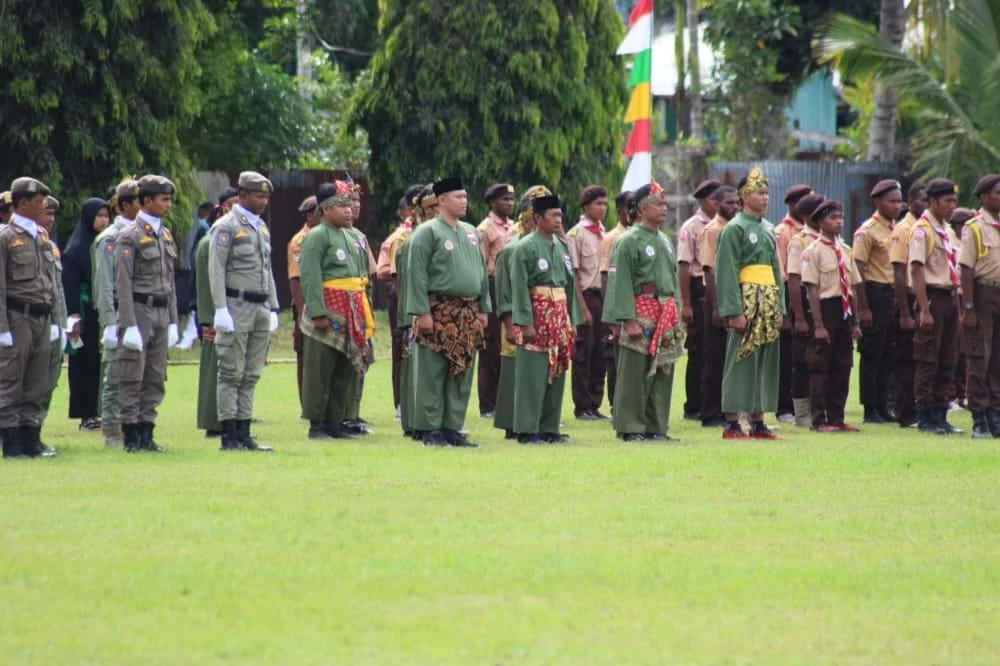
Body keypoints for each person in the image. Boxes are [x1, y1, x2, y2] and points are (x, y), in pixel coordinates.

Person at [405, 177, 491, 448]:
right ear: (441, 201)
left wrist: (484, 307)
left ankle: (453, 427)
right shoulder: (427, 232)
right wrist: (421, 312)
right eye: (458, 197)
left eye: (465, 197)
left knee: (462, 370)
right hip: (439, 308)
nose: (464, 202)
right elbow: (415, 275)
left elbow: (482, 271)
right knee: (433, 370)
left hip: (467, 310)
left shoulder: (471, 232)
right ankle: (430, 428)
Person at [602, 182, 685, 441]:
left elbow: (673, 281)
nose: (664, 208)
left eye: (664, 203)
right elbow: (621, 281)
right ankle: (630, 427)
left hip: (665, 311)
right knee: (634, 373)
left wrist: (678, 314)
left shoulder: (664, 240)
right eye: (658, 204)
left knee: (663, 371)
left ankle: (656, 426)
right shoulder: (627, 241)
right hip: (641, 309)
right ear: (641, 209)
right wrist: (627, 319)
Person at [208, 171, 279, 452]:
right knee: (231, 371)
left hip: (259, 305)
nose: (264, 201)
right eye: (259, 196)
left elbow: (266, 268)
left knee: (251, 372)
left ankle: (244, 430)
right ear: (243, 196)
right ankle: (229, 433)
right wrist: (220, 309)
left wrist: (272, 305)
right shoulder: (226, 227)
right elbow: (216, 269)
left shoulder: (260, 228)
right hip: (236, 305)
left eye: (266, 196)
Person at [714, 167, 785, 440]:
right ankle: (732, 421)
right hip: (746, 298)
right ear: (744, 196)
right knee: (739, 358)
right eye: (759, 192)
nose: (765, 198)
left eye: (767, 193)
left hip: (767, 298)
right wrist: (733, 311)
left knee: (764, 360)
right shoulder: (734, 229)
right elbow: (726, 270)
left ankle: (758, 420)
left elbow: (776, 269)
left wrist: (780, 307)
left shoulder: (768, 228)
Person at [298, 180, 371, 440]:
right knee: (321, 369)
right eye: (342, 205)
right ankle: (317, 423)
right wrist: (318, 311)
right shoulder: (316, 236)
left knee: (346, 369)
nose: (349, 209)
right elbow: (309, 275)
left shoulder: (354, 236)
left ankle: (337, 421)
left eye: (350, 204)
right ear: (326, 210)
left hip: (353, 309)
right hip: (329, 310)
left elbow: (363, 275)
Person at [115, 174, 180, 452]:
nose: (168, 205)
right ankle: (131, 435)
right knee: (133, 375)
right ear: (147, 201)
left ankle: (147, 431)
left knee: (155, 375)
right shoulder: (129, 235)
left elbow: (171, 283)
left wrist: (175, 321)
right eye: (164, 200)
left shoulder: (164, 234)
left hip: (162, 310)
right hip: (139, 309)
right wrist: (128, 323)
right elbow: (123, 282)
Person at [509, 194, 580, 444]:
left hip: (559, 316)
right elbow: (518, 287)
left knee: (557, 370)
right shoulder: (524, 248)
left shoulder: (561, 247)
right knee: (533, 373)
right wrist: (524, 322)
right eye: (553, 215)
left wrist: (571, 321)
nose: (558, 220)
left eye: (560, 215)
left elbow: (569, 286)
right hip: (537, 313)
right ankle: (527, 430)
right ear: (538, 218)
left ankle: (549, 427)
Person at [0, 178, 58, 458]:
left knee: (37, 381)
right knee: (11, 380)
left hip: (41, 316)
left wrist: (56, 320)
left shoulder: (42, 237)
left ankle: (31, 437)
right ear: (23, 204)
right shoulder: (6, 238)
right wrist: (2, 328)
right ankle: (11, 443)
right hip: (16, 315)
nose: (44, 207)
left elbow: (51, 282)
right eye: (39, 202)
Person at [801, 200, 863, 432]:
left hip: (843, 311)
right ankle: (819, 419)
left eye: (840, 217)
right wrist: (817, 324)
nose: (838, 222)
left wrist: (855, 321)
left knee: (843, 365)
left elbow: (853, 288)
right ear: (819, 222)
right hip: (824, 310)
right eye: (832, 218)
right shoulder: (813, 252)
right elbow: (812, 290)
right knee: (821, 365)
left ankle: (837, 417)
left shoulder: (845, 251)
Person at [494, 185, 549, 439]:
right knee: (514, 367)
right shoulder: (511, 248)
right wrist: (508, 321)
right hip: (517, 317)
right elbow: (504, 288)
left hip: (543, 317)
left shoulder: (550, 244)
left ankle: (537, 420)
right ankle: (511, 422)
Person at [909, 178, 961, 434]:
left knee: (947, 357)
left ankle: (941, 413)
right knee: (928, 357)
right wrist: (924, 309)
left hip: (950, 297)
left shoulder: (946, 230)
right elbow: (917, 270)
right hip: (932, 296)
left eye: (954, 201)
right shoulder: (923, 230)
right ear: (933, 202)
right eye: (947, 201)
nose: (952, 206)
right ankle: (926, 415)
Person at [93, 179, 140, 447]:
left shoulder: (141, 235)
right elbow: (104, 284)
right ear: (123, 206)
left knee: (137, 373)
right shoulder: (109, 239)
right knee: (114, 373)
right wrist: (109, 323)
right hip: (118, 312)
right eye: (136, 201)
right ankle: (112, 429)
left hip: (138, 311)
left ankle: (132, 425)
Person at [851, 180, 904, 423]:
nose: (897, 205)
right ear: (877, 202)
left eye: (898, 200)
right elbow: (858, 271)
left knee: (889, 353)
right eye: (891, 201)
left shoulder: (897, 229)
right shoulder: (867, 231)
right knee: (872, 353)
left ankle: (884, 405)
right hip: (874, 293)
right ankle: (870, 408)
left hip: (893, 293)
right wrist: (863, 307)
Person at [62, 197, 110, 430]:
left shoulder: (105, 244)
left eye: (106, 216)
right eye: (99, 216)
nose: (103, 220)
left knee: (99, 363)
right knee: (84, 362)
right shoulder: (77, 248)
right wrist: (73, 316)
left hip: (101, 310)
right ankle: (85, 413)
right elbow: (70, 285)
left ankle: (99, 410)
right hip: (83, 310)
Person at [677, 179, 722, 421]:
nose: (718, 204)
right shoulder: (692, 227)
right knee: (698, 350)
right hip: (698, 288)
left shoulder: (724, 225)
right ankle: (693, 405)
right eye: (714, 200)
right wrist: (685, 303)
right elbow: (684, 266)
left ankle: (713, 401)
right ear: (703, 201)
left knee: (714, 351)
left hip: (717, 288)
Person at [377, 185, 423, 419]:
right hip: (403, 295)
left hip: (424, 296)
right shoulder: (401, 238)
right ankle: (401, 402)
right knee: (403, 349)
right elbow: (386, 271)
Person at [959, 174, 1000, 437]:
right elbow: (966, 269)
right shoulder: (973, 227)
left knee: (998, 357)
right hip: (983, 293)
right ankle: (979, 416)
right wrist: (969, 307)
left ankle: (996, 412)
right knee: (979, 356)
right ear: (984, 197)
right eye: (997, 193)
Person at [395, 185, 437, 439]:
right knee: (415, 365)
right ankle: (414, 422)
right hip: (418, 310)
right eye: (430, 208)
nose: (435, 212)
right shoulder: (412, 241)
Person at [699, 185, 740, 428]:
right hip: (716, 298)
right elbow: (709, 269)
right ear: (716, 204)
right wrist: (716, 306)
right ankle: (711, 412)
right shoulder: (712, 230)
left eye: (737, 202)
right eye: (729, 203)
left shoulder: (735, 229)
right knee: (713, 358)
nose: (734, 207)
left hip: (734, 296)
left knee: (730, 357)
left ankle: (729, 410)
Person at [38, 194, 76, 456]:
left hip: (48, 320)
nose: (50, 220)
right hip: (19, 320)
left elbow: (57, 290)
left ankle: (32, 432)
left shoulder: (49, 246)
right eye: (46, 213)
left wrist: (61, 324)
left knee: (45, 380)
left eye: (53, 215)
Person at [567, 185, 609, 420]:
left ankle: (595, 402)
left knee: (601, 352)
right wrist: (581, 307)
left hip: (603, 297)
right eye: (597, 204)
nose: (602, 208)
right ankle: (582, 405)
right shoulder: (577, 234)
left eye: (604, 204)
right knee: (584, 351)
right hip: (586, 297)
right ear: (585, 207)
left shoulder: (604, 233)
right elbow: (574, 274)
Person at [784, 193, 826, 427]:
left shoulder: (830, 240)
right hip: (804, 302)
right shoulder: (799, 241)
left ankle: (820, 408)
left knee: (822, 359)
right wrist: (798, 315)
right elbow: (793, 279)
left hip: (825, 301)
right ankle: (801, 413)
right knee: (802, 360)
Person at [889, 182, 928, 428]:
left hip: (928, 295)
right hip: (910, 296)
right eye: (922, 199)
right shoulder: (905, 229)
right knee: (906, 358)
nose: (925, 204)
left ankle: (928, 408)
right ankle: (906, 411)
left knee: (927, 357)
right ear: (911, 201)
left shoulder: (933, 228)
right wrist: (904, 310)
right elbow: (900, 271)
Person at [477, 183, 517, 418]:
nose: (509, 204)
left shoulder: (513, 227)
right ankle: (488, 404)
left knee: (508, 345)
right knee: (490, 347)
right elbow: (480, 265)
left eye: (511, 200)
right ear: (492, 203)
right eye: (504, 200)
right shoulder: (485, 229)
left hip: (509, 285)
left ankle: (505, 398)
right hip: (491, 285)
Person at [774, 184, 813, 424]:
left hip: (812, 293)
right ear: (792, 204)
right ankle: (784, 407)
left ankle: (809, 404)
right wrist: (784, 309)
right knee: (789, 355)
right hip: (791, 291)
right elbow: (782, 272)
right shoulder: (784, 232)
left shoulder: (812, 231)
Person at [599, 190, 634, 408]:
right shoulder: (612, 238)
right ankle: (616, 404)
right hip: (616, 303)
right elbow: (605, 275)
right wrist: (610, 313)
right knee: (615, 358)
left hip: (635, 302)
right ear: (621, 212)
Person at [288, 195, 321, 409]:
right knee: (306, 355)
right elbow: (296, 278)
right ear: (310, 215)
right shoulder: (301, 240)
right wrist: (302, 313)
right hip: (306, 303)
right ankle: (306, 403)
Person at [194, 229, 222, 439]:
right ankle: (212, 420)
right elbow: (204, 286)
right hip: (214, 316)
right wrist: (207, 318)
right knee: (213, 369)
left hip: (232, 313)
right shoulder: (208, 243)